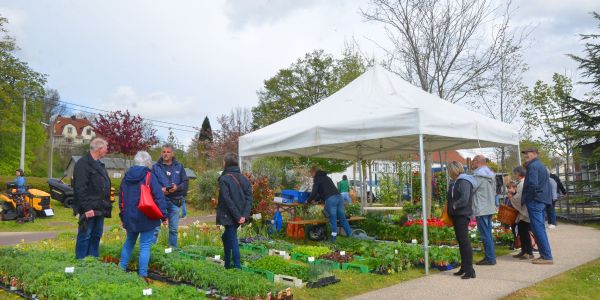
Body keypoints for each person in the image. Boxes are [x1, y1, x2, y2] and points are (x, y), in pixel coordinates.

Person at [118, 151, 168, 282]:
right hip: (147, 216)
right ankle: (142, 275)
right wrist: (164, 216)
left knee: (129, 243)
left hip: (130, 217)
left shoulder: (126, 177)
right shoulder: (149, 176)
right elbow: (159, 197)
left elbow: (121, 199)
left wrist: (123, 216)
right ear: (147, 163)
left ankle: (120, 269)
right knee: (145, 245)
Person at [73, 137, 112, 259]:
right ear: (99, 149)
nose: (107, 150)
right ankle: (81, 263)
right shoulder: (83, 164)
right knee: (85, 236)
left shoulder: (100, 165)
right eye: (106, 148)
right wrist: (87, 208)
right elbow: (80, 188)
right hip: (89, 208)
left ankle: (93, 262)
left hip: (100, 207)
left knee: (96, 235)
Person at [217, 153, 253, 269]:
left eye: (223, 161)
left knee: (232, 239)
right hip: (239, 216)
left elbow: (227, 200)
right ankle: (227, 264)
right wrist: (244, 215)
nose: (222, 163)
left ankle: (237, 267)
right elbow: (249, 199)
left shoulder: (224, 179)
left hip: (230, 216)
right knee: (226, 237)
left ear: (226, 163)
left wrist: (239, 216)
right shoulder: (244, 179)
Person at [522, 147, 554, 264]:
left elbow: (533, 184)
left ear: (535, 154)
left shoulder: (533, 166)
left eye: (528, 153)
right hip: (540, 200)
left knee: (538, 228)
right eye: (525, 153)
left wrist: (528, 198)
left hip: (535, 200)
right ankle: (545, 255)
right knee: (540, 228)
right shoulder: (539, 165)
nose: (525, 155)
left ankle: (546, 256)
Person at [152, 143, 188, 247]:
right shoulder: (155, 167)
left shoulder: (179, 167)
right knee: (155, 229)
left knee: (173, 230)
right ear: (161, 153)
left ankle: (173, 253)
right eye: (164, 152)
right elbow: (151, 183)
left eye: (168, 152)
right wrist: (160, 190)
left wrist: (177, 187)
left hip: (175, 201)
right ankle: (151, 251)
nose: (166, 154)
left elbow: (185, 182)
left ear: (173, 153)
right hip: (159, 201)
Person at [447, 161, 476, 279]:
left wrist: (454, 205)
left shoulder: (464, 181)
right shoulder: (455, 182)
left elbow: (464, 198)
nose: (448, 173)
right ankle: (464, 267)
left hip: (462, 214)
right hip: (456, 215)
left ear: (453, 170)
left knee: (464, 242)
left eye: (449, 170)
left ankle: (470, 270)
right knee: (461, 242)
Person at [306, 166, 352, 242]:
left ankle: (333, 240)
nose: (311, 175)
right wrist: (315, 200)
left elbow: (314, 192)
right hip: (339, 197)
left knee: (332, 219)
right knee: (342, 218)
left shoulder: (317, 178)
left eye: (311, 173)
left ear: (314, 172)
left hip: (331, 199)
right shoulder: (327, 177)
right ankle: (350, 236)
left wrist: (308, 201)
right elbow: (321, 192)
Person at [471, 155, 497, 266]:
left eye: (473, 162)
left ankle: (490, 258)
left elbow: (472, 189)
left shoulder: (478, 175)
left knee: (485, 234)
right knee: (488, 233)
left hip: (481, 208)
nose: (472, 164)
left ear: (477, 162)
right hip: (489, 207)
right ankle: (490, 256)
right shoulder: (490, 175)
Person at [508, 166, 534, 260]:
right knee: (522, 232)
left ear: (519, 174)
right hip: (524, 211)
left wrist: (511, 196)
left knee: (524, 232)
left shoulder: (522, 183)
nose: (514, 175)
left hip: (525, 212)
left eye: (515, 173)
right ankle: (524, 251)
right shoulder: (522, 182)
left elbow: (519, 198)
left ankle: (528, 252)